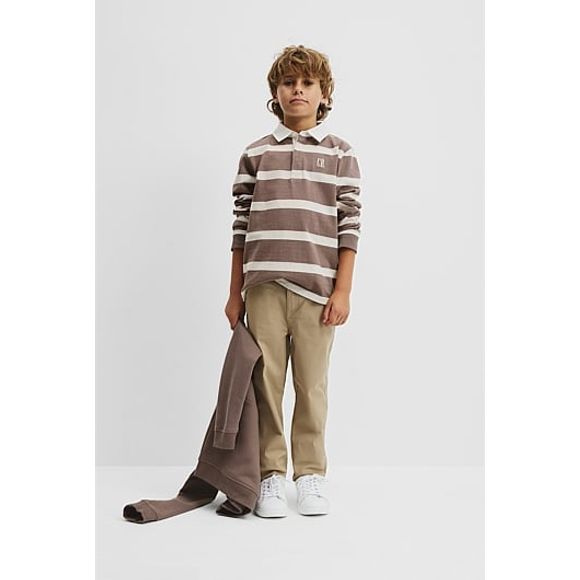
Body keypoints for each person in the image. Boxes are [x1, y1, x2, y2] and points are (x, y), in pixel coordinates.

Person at [224, 44, 362, 517]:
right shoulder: (255, 154)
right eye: (288, 83)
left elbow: (349, 226)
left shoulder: (340, 154)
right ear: (275, 92)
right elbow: (240, 227)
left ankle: (310, 475)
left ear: (324, 94)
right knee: (265, 385)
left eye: (307, 83)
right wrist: (234, 293)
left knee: (311, 387)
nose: (297, 90)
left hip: (317, 292)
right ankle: (269, 475)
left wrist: (342, 290)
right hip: (262, 288)